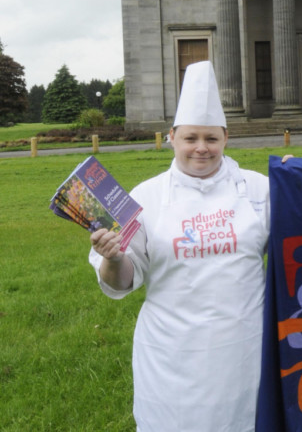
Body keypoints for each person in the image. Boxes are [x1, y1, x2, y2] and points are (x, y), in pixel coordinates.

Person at [88, 61, 269, 431]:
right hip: (172, 356)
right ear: (172, 136)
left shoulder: (258, 189)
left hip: (244, 352)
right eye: (190, 138)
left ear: (226, 138)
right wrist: (114, 258)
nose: (201, 148)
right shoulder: (145, 197)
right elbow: (122, 282)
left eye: (211, 139)